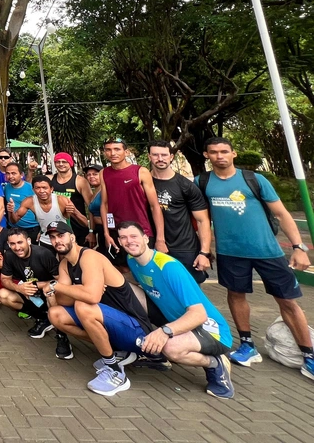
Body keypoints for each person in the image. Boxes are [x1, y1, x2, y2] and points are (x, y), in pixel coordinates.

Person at [200, 137, 313, 379]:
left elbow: (282, 214)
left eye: (224, 151)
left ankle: (309, 355)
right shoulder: (203, 182)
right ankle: (247, 345)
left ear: (234, 154)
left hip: (267, 252)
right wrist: (205, 249)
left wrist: (299, 247)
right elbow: (201, 219)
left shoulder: (254, 179)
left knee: (288, 302)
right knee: (236, 296)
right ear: (206, 155)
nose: (220, 156)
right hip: (230, 253)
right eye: (214, 152)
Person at [118, 221, 235, 398]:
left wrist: (164, 332)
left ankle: (214, 363)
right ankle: (152, 353)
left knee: (171, 348)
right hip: (175, 320)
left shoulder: (168, 267)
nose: (129, 241)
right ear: (119, 242)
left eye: (134, 236)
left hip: (211, 330)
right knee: (121, 289)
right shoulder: (132, 260)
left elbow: (199, 314)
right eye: (124, 238)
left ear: (145, 238)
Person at [45, 221, 154, 395]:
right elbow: (63, 301)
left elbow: (92, 297)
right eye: (52, 237)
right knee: (55, 314)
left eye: (61, 235)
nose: (57, 240)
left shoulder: (89, 257)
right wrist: (77, 289)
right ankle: (117, 352)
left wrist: (55, 286)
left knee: (83, 306)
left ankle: (116, 372)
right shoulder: (65, 264)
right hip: (112, 323)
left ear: (72, 237)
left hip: (136, 329)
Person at [144, 141, 213, 283]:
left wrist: (204, 252)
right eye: (155, 155)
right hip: (149, 246)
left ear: (171, 157)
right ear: (149, 157)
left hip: (185, 247)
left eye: (164, 155)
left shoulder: (186, 185)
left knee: (191, 291)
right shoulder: (141, 183)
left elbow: (202, 220)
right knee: (158, 289)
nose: (160, 158)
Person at [98, 139, 165, 268]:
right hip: (116, 232)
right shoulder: (103, 173)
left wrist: (160, 238)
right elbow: (104, 205)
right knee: (122, 270)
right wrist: (106, 234)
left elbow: (154, 206)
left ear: (126, 152)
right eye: (108, 150)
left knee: (147, 269)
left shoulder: (140, 171)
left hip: (141, 230)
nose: (112, 153)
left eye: (117, 149)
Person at [0, 228, 60, 339]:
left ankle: (60, 332)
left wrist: (38, 285)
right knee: (3, 295)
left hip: (49, 292)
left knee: (50, 292)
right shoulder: (9, 255)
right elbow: (4, 279)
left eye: (20, 242)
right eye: (12, 244)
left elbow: (62, 280)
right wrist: (18, 288)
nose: (17, 247)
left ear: (29, 241)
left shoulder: (43, 254)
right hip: (29, 294)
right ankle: (42, 318)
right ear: (8, 244)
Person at [50, 152, 93, 245]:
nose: (61, 164)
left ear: (70, 163)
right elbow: (32, 189)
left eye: (64, 162)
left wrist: (91, 231)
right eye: (58, 162)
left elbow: (91, 208)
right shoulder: (50, 180)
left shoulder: (80, 181)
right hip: (57, 228)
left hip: (78, 227)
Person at [30, 175, 83, 248]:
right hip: (46, 238)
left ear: (51, 189)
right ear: (33, 190)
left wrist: (74, 211)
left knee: (66, 258)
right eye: (38, 188)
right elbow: (14, 220)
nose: (41, 191)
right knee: (46, 258)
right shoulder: (29, 201)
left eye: (44, 188)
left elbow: (84, 222)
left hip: (64, 237)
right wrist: (41, 231)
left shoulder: (62, 200)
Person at [3, 162, 39, 241]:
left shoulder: (32, 188)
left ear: (21, 175)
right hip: (13, 228)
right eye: (8, 173)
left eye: (13, 173)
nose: (10, 176)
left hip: (32, 228)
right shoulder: (6, 188)